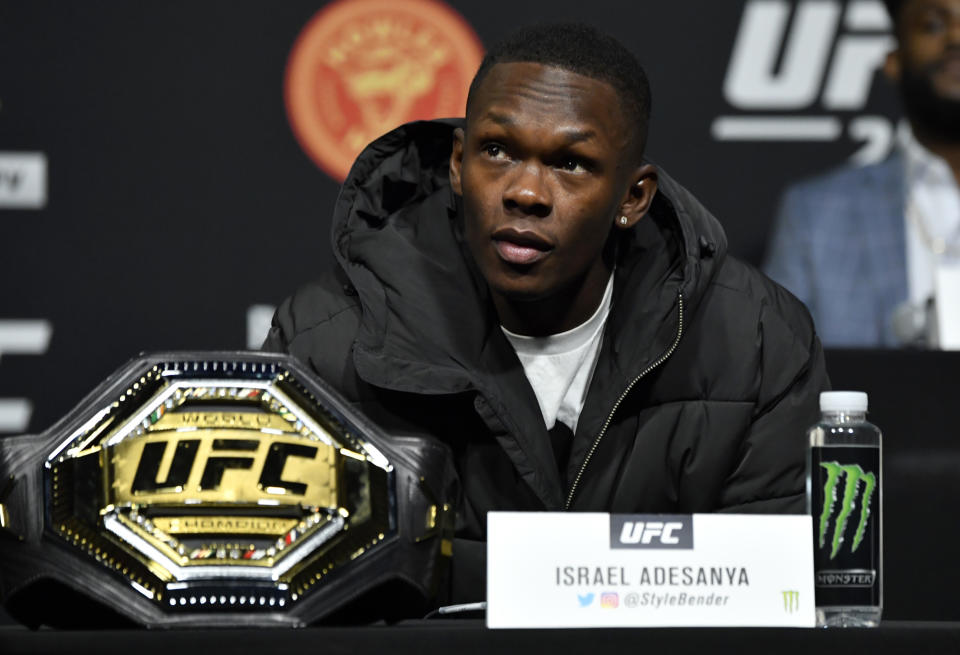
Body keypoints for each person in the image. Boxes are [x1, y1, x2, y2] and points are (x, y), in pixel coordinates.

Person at [264, 23, 828, 601]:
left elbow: (775, 598)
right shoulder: (323, 346)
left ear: (632, 198)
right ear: (457, 164)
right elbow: (291, 596)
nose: (526, 192)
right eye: (497, 151)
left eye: (570, 163)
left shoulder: (756, 341)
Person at [764, 0, 960, 348]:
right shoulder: (815, 214)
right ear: (893, 61)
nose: (957, 37)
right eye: (933, 25)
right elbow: (776, 371)